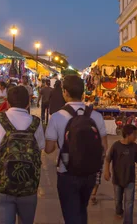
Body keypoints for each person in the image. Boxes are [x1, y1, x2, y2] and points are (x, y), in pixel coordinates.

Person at [0, 86, 45, 224]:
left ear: (8, 103)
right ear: (28, 102)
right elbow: (40, 149)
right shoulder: (36, 122)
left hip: (3, 184)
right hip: (28, 186)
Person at [45, 75, 108, 224]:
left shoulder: (56, 117)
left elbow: (48, 149)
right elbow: (104, 147)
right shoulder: (96, 116)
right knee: (81, 209)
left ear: (65, 92)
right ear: (83, 92)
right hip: (90, 173)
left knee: (71, 214)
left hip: (66, 172)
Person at [104, 124, 137, 224]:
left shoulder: (134, 146)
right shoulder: (116, 146)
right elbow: (108, 159)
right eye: (134, 134)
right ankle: (119, 211)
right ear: (127, 134)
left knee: (129, 202)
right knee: (118, 200)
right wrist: (106, 171)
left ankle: (128, 221)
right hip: (117, 178)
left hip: (130, 178)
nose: (136, 137)